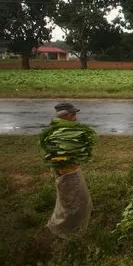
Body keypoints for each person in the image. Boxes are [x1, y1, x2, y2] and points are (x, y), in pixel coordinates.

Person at [39, 102, 94, 238]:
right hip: (67, 174)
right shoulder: (57, 134)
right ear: (64, 116)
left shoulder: (65, 131)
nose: (75, 117)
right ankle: (66, 233)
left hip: (71, 171)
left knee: (75, 202)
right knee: (74, 205)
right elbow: (56, 156)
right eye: (72, 114)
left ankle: (67, 228)